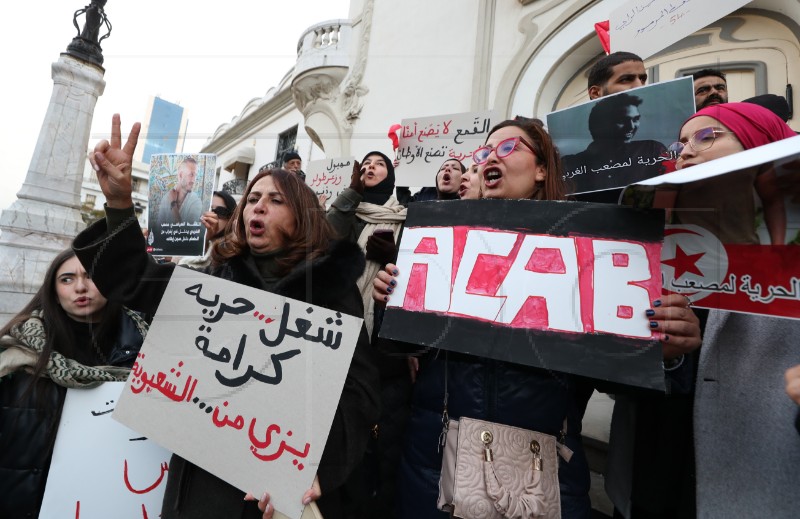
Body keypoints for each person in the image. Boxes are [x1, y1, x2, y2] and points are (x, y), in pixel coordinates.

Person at [372, 118, 699, 519]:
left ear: (542, 169)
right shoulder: (440, 243)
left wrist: (668, 354)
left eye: (508, 148)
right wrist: (391, 302)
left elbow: (618, 376)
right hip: (435, 460)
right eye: (485, 151)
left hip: (542, 472)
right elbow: (401, 352)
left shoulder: (585, 251)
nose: (491, 155)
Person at [76, 114, 380, 519]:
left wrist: (320, 469)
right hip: (200, 486)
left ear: (303, 215)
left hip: (272, 491)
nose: (258, 207)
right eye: (253, 199)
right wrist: (118, 203)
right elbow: (135, 279)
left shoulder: (331, 293)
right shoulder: (215, 283)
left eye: (275, 200)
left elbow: (358, 394)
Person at [667, 101, 799, 517]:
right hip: (677, 479)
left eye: (708, 136)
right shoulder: (676, 247)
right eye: (682, 142)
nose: (686, 150)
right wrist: (669, 357)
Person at [0, 249, 149, 518]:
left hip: (110, 500)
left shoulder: (147, 353)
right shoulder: (15, 355)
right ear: (53, 290)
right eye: (67, 279)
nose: (80, 287)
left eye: (91, 276)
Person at [669, 102, 793, 245]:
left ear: (750, 139)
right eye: (680, 146)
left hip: (746, 257)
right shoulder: (671, 179)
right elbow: (659, 218)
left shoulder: (757, 164)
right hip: (691, 261)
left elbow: (773, 201)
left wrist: (778, 249)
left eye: (706, 137)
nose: (685, 153)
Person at [327, 151, 407, 338]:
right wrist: (352, 192)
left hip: (379, 322)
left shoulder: (403, 216)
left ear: (391, 178)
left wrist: (391, 258)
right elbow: (324, 238)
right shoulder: (346, 208)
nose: (371, 166)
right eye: (367, 162)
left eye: (379, 164)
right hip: (335, 308)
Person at [562, 93, 670, 193]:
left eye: (636, 119)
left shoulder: (652, 150)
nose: (631, 126)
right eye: (622, 121)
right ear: (601, 125)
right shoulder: (570, 164)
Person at [178, 190, 237, 268]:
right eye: (207, 209)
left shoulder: (233, 251)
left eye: (220, 211)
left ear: (231, 218)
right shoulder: (185, 242)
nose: (211, 215)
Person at [156, 157, 203, 225]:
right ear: (181, 175)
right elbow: (159, 229)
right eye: (191, 174)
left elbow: (187, 232)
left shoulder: (196, 202)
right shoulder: (166, 198)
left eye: (195, 175)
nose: (194, 180)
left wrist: (173, 205)